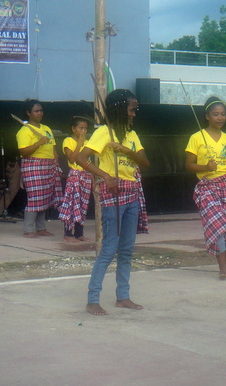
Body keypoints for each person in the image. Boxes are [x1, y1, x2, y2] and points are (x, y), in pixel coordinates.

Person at [76, 89, 150, 316]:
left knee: (126, 250)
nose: (134, 113)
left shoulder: (131, 135)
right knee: (109, 248)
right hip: (113, 193)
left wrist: (125, 149)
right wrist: (105, 176)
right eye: (131, 109)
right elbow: (80, 158)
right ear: (120, 109)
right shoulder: (103, 133)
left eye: (135, 109)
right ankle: (92, 299)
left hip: (132, 193)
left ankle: (123, 297)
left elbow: (145, 163)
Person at [185, 97, 226, 279]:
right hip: (207, 187)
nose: (220, 118)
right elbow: (188, 165)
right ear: (207, 116)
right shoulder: (196, 137)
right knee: (217, 224)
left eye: (223, 114)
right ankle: (223, 267)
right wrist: (205, 168)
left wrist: (224, 173)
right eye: (216, 114)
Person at [15, 99, 63, 238]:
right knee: (35, 197)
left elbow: (53, 148)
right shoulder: (24, 131)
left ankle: (41, 228)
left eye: (41, 110)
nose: (39, 113)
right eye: (36, 111)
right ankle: (29, 229)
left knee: (45, 196)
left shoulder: (46, 129)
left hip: (49, 165)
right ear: (28, 113)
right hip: (33, 165)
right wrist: (39, 143)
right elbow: (24, 152)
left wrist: (56, 163)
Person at [58, 116, 93, 243]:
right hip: (75, 175)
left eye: (85, 129)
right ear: (73, 129)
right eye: (80, 128)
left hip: (86, 175)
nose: (83, 131)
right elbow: (72, 159)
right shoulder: (68, 141)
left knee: (83, 205)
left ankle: (79, 233)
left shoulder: (88, 142)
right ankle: (68, 233)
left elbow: (89, 161)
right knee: (72, 204)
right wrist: (79, 143)